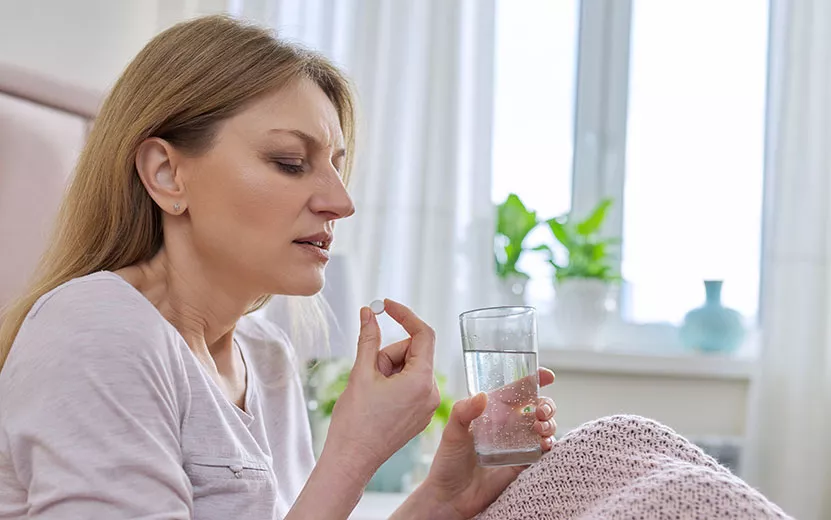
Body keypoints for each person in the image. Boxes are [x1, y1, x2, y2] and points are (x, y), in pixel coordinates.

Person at [0, 15, 792, 520]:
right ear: (166, 173)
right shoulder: (96, 330)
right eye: (290, 162)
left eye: (338, 167)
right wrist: (353, 451)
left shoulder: (263, 356)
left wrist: (439, 498)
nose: (339, 202)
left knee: (623, 448)